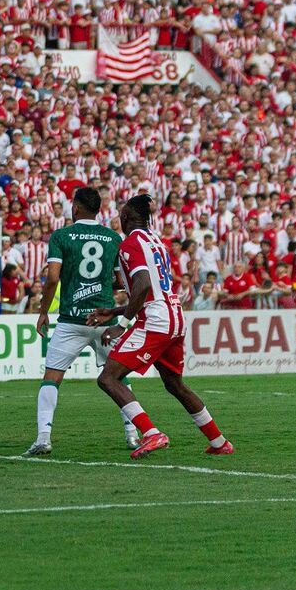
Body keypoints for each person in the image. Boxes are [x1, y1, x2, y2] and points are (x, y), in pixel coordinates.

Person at [88, 195, 234, 459]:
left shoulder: (130, 244)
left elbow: (143, 285)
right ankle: (218, 441)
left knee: (108, 378)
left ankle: (151, 433)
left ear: (126, 217)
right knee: (175, 384)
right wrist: (114, 310)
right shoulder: (157, 242)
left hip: (156, 321)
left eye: (121, 215)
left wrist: (121, 324)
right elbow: (153, 289)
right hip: (174, 316)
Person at [27, 188, 139, 456]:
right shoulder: (112, 237)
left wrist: (43, 311)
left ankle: (43, 438)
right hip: (105, 319)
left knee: (52, 378)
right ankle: (133, 435)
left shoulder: (61, 236)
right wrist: (100, 285)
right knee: (119, 377)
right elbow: (120, 281)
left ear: (76, 207)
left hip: (72, 320)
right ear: (98, 209)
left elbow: (52, 278)